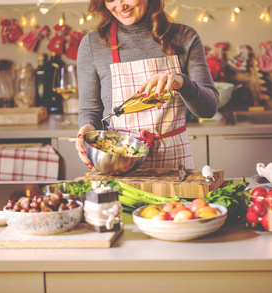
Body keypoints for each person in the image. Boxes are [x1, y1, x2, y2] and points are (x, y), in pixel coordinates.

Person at [75, 0, 219, 170]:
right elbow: (91, 111)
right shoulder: (93, 44)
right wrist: (87, 128)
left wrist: (181, 82)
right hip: (118, 162)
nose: (120, 6)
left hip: (174, 165)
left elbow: (209, 109)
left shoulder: (185, 37)